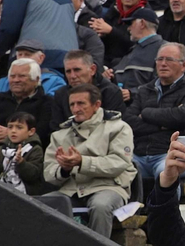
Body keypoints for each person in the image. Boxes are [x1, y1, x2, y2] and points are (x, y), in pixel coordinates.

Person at [42, 83, 136, 237]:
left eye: (81, 103)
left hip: (109, 187)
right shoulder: (60, 135)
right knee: (39, 204)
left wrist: (82, 162)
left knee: (101, 206)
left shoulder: (118, 128)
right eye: (72, 104)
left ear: (96, 105)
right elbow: (48, 172)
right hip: (71, 190)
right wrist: (64, 170)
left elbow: (118, 163)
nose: (75, 108)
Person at [122, 41, 185, 185]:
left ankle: (166, 208)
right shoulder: (145, 90)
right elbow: (129, 122)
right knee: (119, 172)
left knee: (166, 172)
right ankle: (133, 209)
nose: (163, 64)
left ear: (184, 65)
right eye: (160, 59)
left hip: (176, 154)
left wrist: (146, 113)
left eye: (169, 59)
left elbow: (183, 116)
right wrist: (163, 125)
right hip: (140, 154)